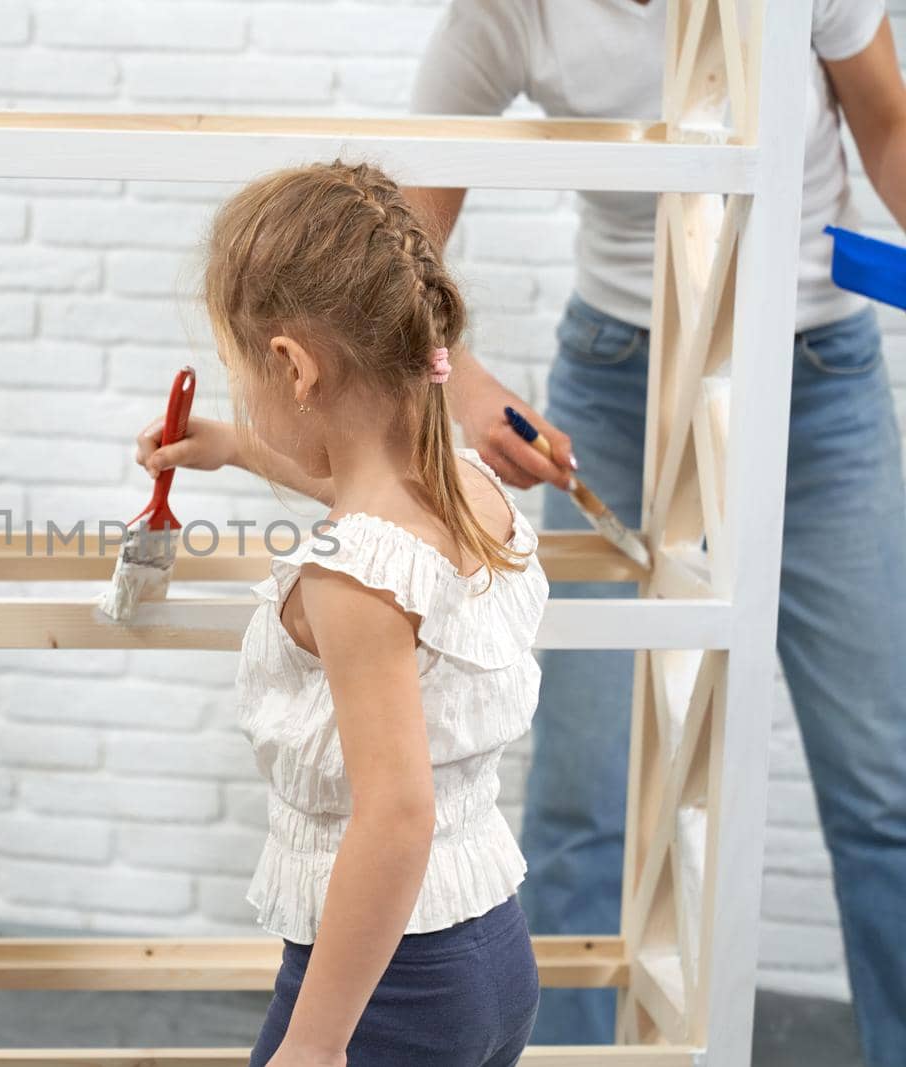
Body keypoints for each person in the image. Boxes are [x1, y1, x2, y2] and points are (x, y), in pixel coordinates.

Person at [401, 2, 906, 1060]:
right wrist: (462, 383)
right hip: (623, 392)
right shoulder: (509, 13)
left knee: (885, 788)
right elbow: (400, 236)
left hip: (816, 378)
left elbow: (887, 123)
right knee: (584, 800)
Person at [134, 159, 549, 1066]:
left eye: (241, 373)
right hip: (490, 953)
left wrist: (315, 1046)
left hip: (391, 983)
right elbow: (352, 474)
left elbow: (396, 816)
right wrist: (236, 445)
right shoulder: (468, 494)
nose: (241, 388)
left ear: (293, 367)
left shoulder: (349, 577)